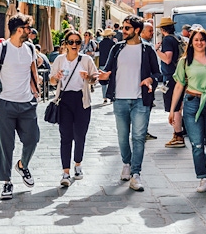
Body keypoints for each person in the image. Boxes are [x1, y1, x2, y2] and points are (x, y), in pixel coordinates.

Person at [98, 16, 160, 191]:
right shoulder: (117, 48)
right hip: (120, 99)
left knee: (139, 137)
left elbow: (158, 74)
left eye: (126, 28)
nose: (123, 31)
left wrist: (150, 79)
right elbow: (107, 70)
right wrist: (103, 76)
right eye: (123, 28)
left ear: (137, 30)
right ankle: (126, 163)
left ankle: (136, 173)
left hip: (141, 100)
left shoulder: (147, 50)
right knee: (122, 137)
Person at [0, 14, 41, 200]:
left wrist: (36, 92)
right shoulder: (0, 49)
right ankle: (7, 182)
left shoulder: (30, 48)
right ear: (19, 29)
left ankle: (23, 165)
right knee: (6, 145)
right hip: (6, 104)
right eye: (28, 28)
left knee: (32, 139)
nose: (30, 32)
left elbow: (33, 72)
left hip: (27, 104)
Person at [169, 27, 206, 193]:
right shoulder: (185, 62)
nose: (199, 43)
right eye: (196, 40)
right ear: (191, 43)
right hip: (192, 102)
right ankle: (202, 177)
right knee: (197, 144)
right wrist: (172, 110)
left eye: (202, 39)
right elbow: (178, 86)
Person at [49, 31, 99, 186]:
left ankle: (78, 164)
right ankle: (65, 172)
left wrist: (88, 78)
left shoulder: (86, 60)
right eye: (71, 42)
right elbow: (51, 81)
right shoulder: (59, 60)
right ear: (66, 44)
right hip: (64, 101)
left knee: (80, 135)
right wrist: (56, 77)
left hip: (81, 100)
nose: (75, 45)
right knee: (65, 137)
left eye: (77, 42)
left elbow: (95, 79)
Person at [156, 17, 186, 148]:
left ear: (162, 30)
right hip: (178, 75)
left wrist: (157, 50)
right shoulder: (177, 38)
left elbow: (167, 59)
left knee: (174, 107)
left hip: (171, 77)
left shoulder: (167, 40)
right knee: (178, 105)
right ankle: (179, 132)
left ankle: (178, 134)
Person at [140, 21, 158, 141]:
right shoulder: (146, 47)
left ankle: (143, 131)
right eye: (150, 31)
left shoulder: (149, 45)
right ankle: (142, 131)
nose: (152, 33)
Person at [98, 28, 117, 104]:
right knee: (111, 80)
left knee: (103, 81)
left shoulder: (100, 43)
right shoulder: (112, 43)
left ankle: (104, 97)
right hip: (110, 63)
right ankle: (111, 96)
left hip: (102, 62)